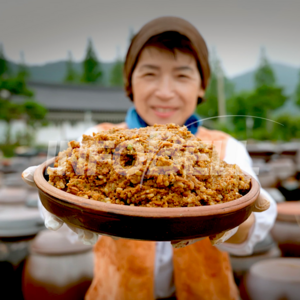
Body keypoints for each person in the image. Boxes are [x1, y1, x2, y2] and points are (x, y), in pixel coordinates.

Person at [22, 16, 276, 300]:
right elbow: (69, 204)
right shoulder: (96, 140)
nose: (165, 92)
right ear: (130, 81)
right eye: (149, 74)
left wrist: (237, 221)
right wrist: (55, 200)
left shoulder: (226, 149)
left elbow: (251, 234)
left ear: (202, 85)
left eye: (182, 75)